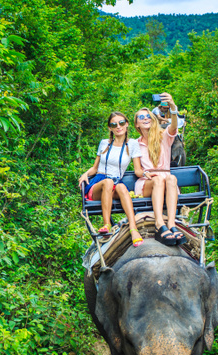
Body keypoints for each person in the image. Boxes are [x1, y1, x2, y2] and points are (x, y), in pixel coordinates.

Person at [78, 112, 145, 247]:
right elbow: (95, 168)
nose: (118, 127)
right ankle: (106, 224)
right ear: (110, 128)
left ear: (126, 124)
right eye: (114, 124)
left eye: (121, 123)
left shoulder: (132, 144)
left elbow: (137, 170)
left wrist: (148, 173)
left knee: (121, 187)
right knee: (108, 182)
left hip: (115, 183)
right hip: (99, 184)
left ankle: (133, 229)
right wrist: (85, 174)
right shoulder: (104, 143)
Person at [133, 93, 187, 246]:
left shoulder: (164, 136)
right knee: (158, 179)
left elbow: (174, 126)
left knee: (171, 178)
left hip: (166, 179)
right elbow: (137, 171)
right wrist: (147, 173)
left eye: (148, 116)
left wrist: (173, 107)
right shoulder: (135, 144)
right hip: (148, 181)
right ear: (137, 124)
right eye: (141, 117)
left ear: (153, 119)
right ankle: (159, 223)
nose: (145, 119)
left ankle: (171, 224)